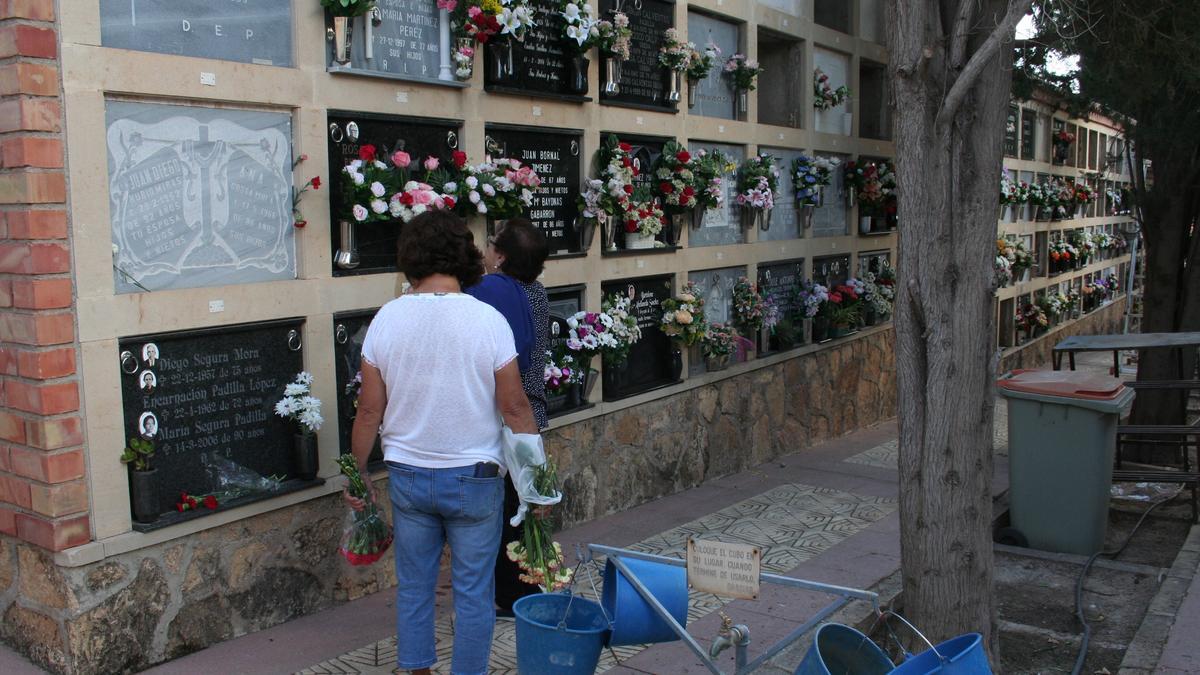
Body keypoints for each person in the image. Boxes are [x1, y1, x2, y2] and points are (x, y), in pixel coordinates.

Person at [346, 210, 538, 675]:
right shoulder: (487, 320)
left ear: (409, 257)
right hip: (474, 478)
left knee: (414, 587)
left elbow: (369, 410)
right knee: (474, 592)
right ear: (465, 255)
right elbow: (515, 409)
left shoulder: (386, 320)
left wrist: (358, 475)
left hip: (409, 476)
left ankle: (418, 670)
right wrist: (535, 483)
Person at [465, 219, 551, 616]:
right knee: (523, 503)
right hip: (528, 413)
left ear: (499, 256)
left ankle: (508, 591)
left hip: (507, 413)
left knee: (505, 508)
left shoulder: (488, 295)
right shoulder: (535, 292)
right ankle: (525, 583)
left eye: (491, 243)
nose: (485, 247)